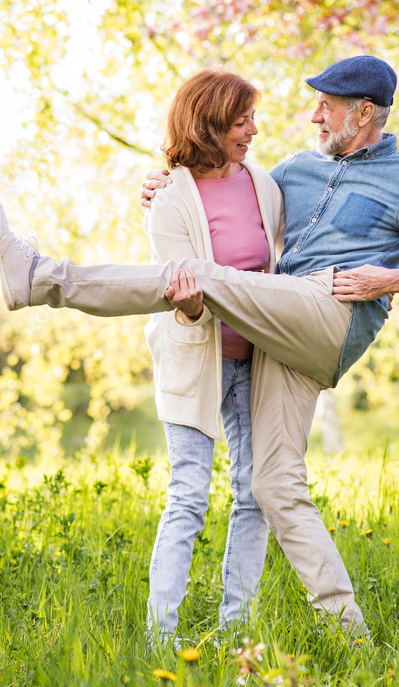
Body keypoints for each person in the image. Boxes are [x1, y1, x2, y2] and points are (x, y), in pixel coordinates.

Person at [0, 54, 399, 634]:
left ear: (364, 113)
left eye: (326, 107)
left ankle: (47, 280)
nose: (314, 117)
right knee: (272, 485)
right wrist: (165, 184)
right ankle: (349, 631)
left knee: (202, 275)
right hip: (277, 323)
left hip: (333, 313)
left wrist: (390, 279)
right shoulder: (294, 170)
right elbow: (228, 197)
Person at [139, 69, 281, 644]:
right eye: (242, 119)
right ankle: (161, 637)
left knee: (256, 494)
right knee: (189, 495)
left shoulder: (264, 184)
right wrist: (195, 309)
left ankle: (235, 632)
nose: (253, 128)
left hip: (255, 363)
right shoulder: (170, 197)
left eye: (252, 116)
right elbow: (182, 296)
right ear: (210, 122)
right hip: (194, 361)